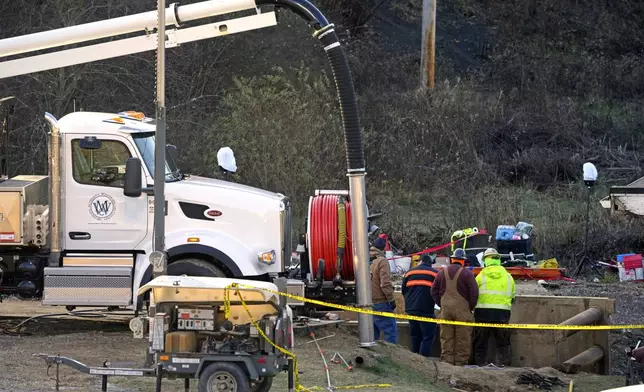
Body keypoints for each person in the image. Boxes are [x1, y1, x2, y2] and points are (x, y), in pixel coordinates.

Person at [431, 248, 479, 365]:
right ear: (463, 261)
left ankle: (447, 362)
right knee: (463, 337)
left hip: (445, 310)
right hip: (462, 311)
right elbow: (474, 293)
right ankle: (460, 363)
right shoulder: (467, 273)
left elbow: (433, 291)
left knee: (446, 337)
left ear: (452, 260)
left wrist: (441, 304)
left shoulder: (441, 272)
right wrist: (470, 307)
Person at [473, 248, 515, 366]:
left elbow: (474, 294)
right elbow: (512, 297)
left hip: (482, 314)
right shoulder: (508, 277)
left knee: (480, 341)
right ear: (498, 260)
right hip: (502, 314)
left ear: (486, 260)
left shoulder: (480, 276)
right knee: (503, 342)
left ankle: (480, 364)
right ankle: (503, 364)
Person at [402, 253, 438, 357]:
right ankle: (423, 359)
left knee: (415, 335)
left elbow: (404, 291)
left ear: (420, 261)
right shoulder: (435, 273)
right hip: (427, 309)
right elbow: (439, 291)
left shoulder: (409, 273)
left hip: (411, 309)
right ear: (430, 263)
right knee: (428, 336)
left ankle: (415, 359)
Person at [370, 237, 397, 344]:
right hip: (381, 302)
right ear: (383, 248)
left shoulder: (366, 260)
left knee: (372, 336)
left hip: (367, 302)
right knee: (391, 332)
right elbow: (385, 283)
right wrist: (391, 299)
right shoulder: (382, 261)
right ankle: (392, 356)